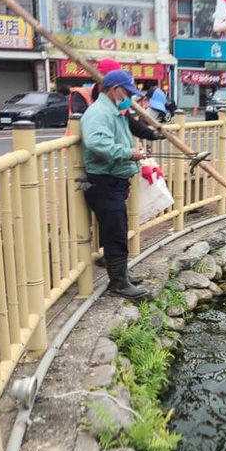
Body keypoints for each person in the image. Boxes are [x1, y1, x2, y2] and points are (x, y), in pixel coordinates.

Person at [81, 70, 149, 301]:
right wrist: (128, 154)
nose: (130, 96)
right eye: (127, 91)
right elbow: (97, 143)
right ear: (113, 90)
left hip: (114, 180)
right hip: (103, 182)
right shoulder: (99, 113)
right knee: (115, 233)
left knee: (117, 229)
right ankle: (118, 283)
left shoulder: (115, 110)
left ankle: (122, 275)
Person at [68, 58, 163, 141]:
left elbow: (133, 125)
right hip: (80, 152)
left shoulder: (119, 102)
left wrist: (153, 134)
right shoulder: (83, 96)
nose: (127, 97)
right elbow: (94, 128)